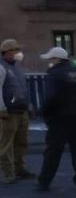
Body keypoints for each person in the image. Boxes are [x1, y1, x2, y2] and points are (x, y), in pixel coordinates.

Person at [36, 47, 76, 191]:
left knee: (53, 151)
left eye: (51, 59)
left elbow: (51, 98)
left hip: (59, 119)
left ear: (57, 59)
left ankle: (44, 182)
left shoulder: (55, 74)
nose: (49, 62)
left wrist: (44, 112)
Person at [0, 39, 36, 184]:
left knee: (22, 142)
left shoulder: (17, 67)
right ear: (8, 52)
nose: (19, 53)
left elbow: (22, 89)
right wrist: (2, 109)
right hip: (9, 112)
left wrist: (29, 106)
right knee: (6, 144)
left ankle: (19, 168)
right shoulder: (1, 67)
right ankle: (8, 173)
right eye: (16, 50)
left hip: (21, 111)